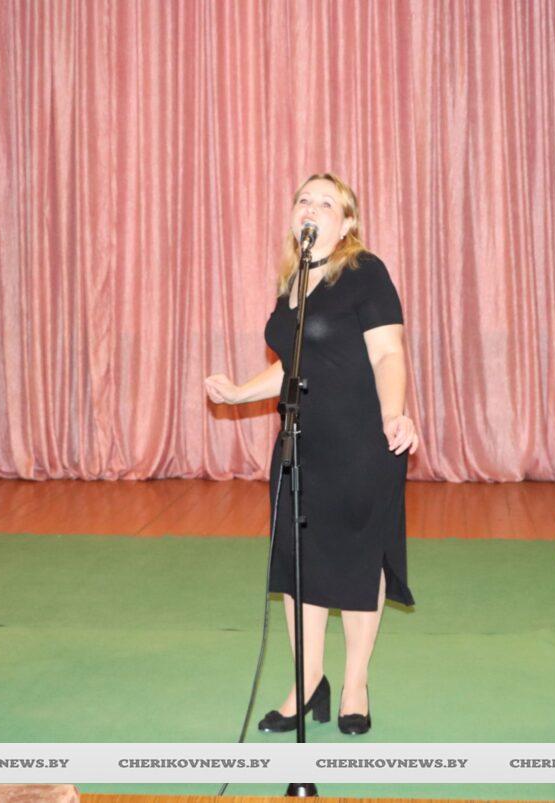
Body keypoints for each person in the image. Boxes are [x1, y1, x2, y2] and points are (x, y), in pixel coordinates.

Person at [205, 174, 419, 736]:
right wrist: (239, 392)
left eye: (327, 203)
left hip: (362, 443)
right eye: (305, 199)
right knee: (299, 564)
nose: (312, 208)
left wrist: (394, 414)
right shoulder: (294, 281)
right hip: (301, 446)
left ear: (346, 223)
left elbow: (388, 353)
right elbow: (293, 365)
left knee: (356, 562)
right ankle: (307, 680)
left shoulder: (365, 272)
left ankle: (355, 684)